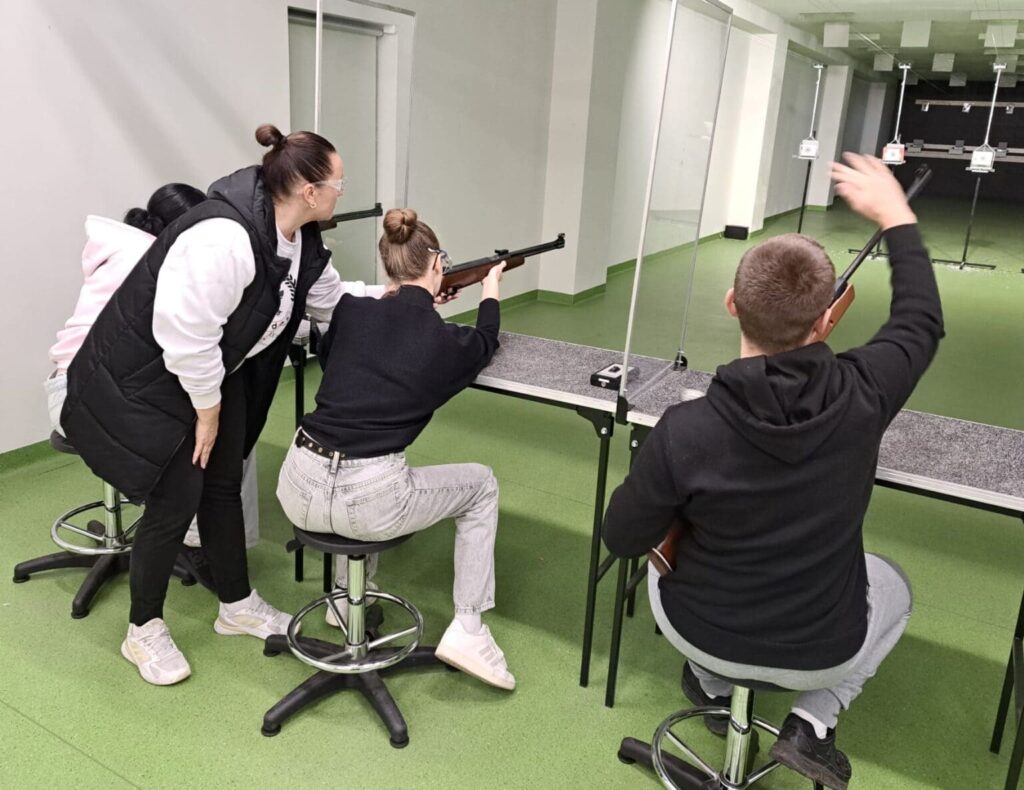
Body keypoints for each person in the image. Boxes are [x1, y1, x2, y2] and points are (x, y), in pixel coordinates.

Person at [602, 154, 943, 790]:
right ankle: (812, 720)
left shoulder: (685, 429)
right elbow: (920, 320)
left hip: (700, 630)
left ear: (732, 304)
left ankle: (712, 686)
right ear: (827, 320)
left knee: (665, 560)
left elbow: (622, 538)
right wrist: (896, 217)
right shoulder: (866, 394)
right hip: (820, 650)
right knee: (892, 584)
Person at [62, 124, 386, 686]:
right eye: (339, 182)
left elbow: (334, 302)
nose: (343, 192)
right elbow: (184, 334)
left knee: (222, 485)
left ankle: (236, 605)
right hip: (156, 376)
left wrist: (403, 297)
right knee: (174, 500)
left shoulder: (301, 240)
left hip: (215, 371)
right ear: (309, 191)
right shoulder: (225, 238)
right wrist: (207, 413)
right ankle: (143, 629)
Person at [276, 208, 516, 690]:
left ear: (388, 265)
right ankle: (469, 628)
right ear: (438, 263)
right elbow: (485, 341)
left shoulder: (350, 310)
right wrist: (490, 288)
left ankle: (347, 599)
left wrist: (408, 302)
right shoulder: (443, 340)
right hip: (371, 500)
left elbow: (343, 355)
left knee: (360, 457)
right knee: (481, 486)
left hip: (297, 482)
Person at [44, 185, 259, 578]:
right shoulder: (155, 264)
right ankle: (201, 547)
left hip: (71, 388)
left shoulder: (124, 250)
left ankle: (197, 538)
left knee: (212, 424)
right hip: (87, 401)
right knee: (215, 438)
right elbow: (186, 344)